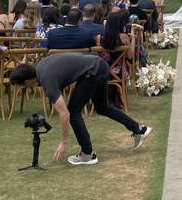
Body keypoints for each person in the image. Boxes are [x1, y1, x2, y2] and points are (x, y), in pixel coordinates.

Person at [9, 54, 152, 166]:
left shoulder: (47, 81)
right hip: (99, 64)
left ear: (27, 80)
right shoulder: (40, 67)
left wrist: (63, 142)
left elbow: (64, 114)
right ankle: (139, 129)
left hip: (92, 71)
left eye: (21, 85)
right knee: (103, 107)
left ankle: (87, 154)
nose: (23, 88)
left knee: (73, 111)